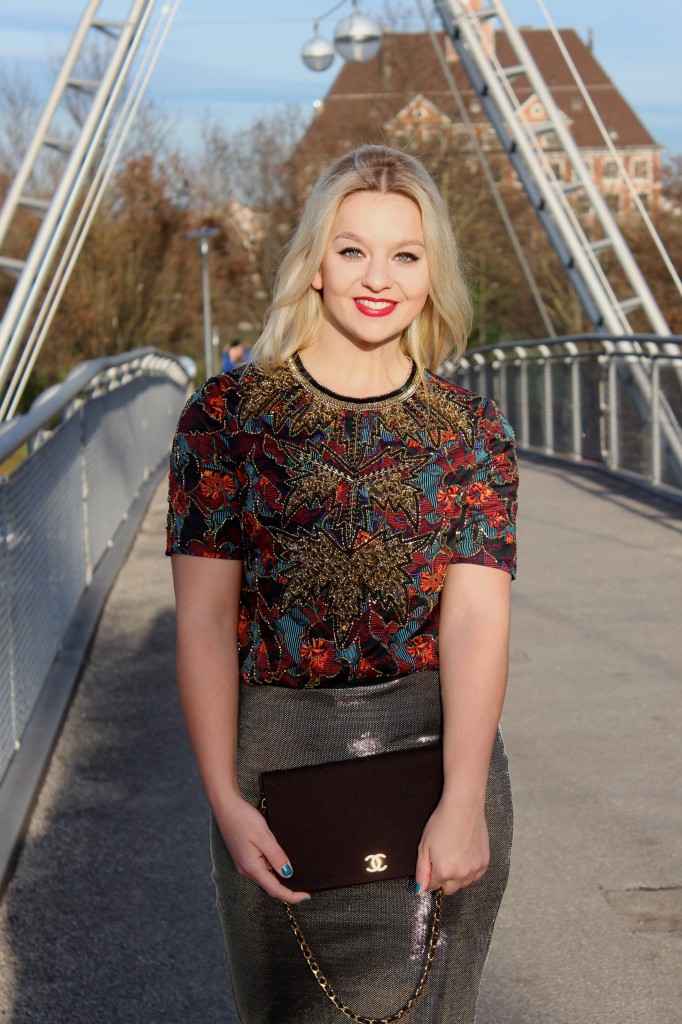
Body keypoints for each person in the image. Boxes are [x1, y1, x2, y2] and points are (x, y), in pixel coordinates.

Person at [166, 144, 518, 1024]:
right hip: (278, 768)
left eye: (406, 254)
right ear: (315, 264)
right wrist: (224, 801)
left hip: (437, 763)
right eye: (353, 249)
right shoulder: (228, 418)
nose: (379, 277)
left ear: (433, 275)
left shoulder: (468, 431)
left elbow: (476, 619)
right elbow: (205, 624)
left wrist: (466, 801)